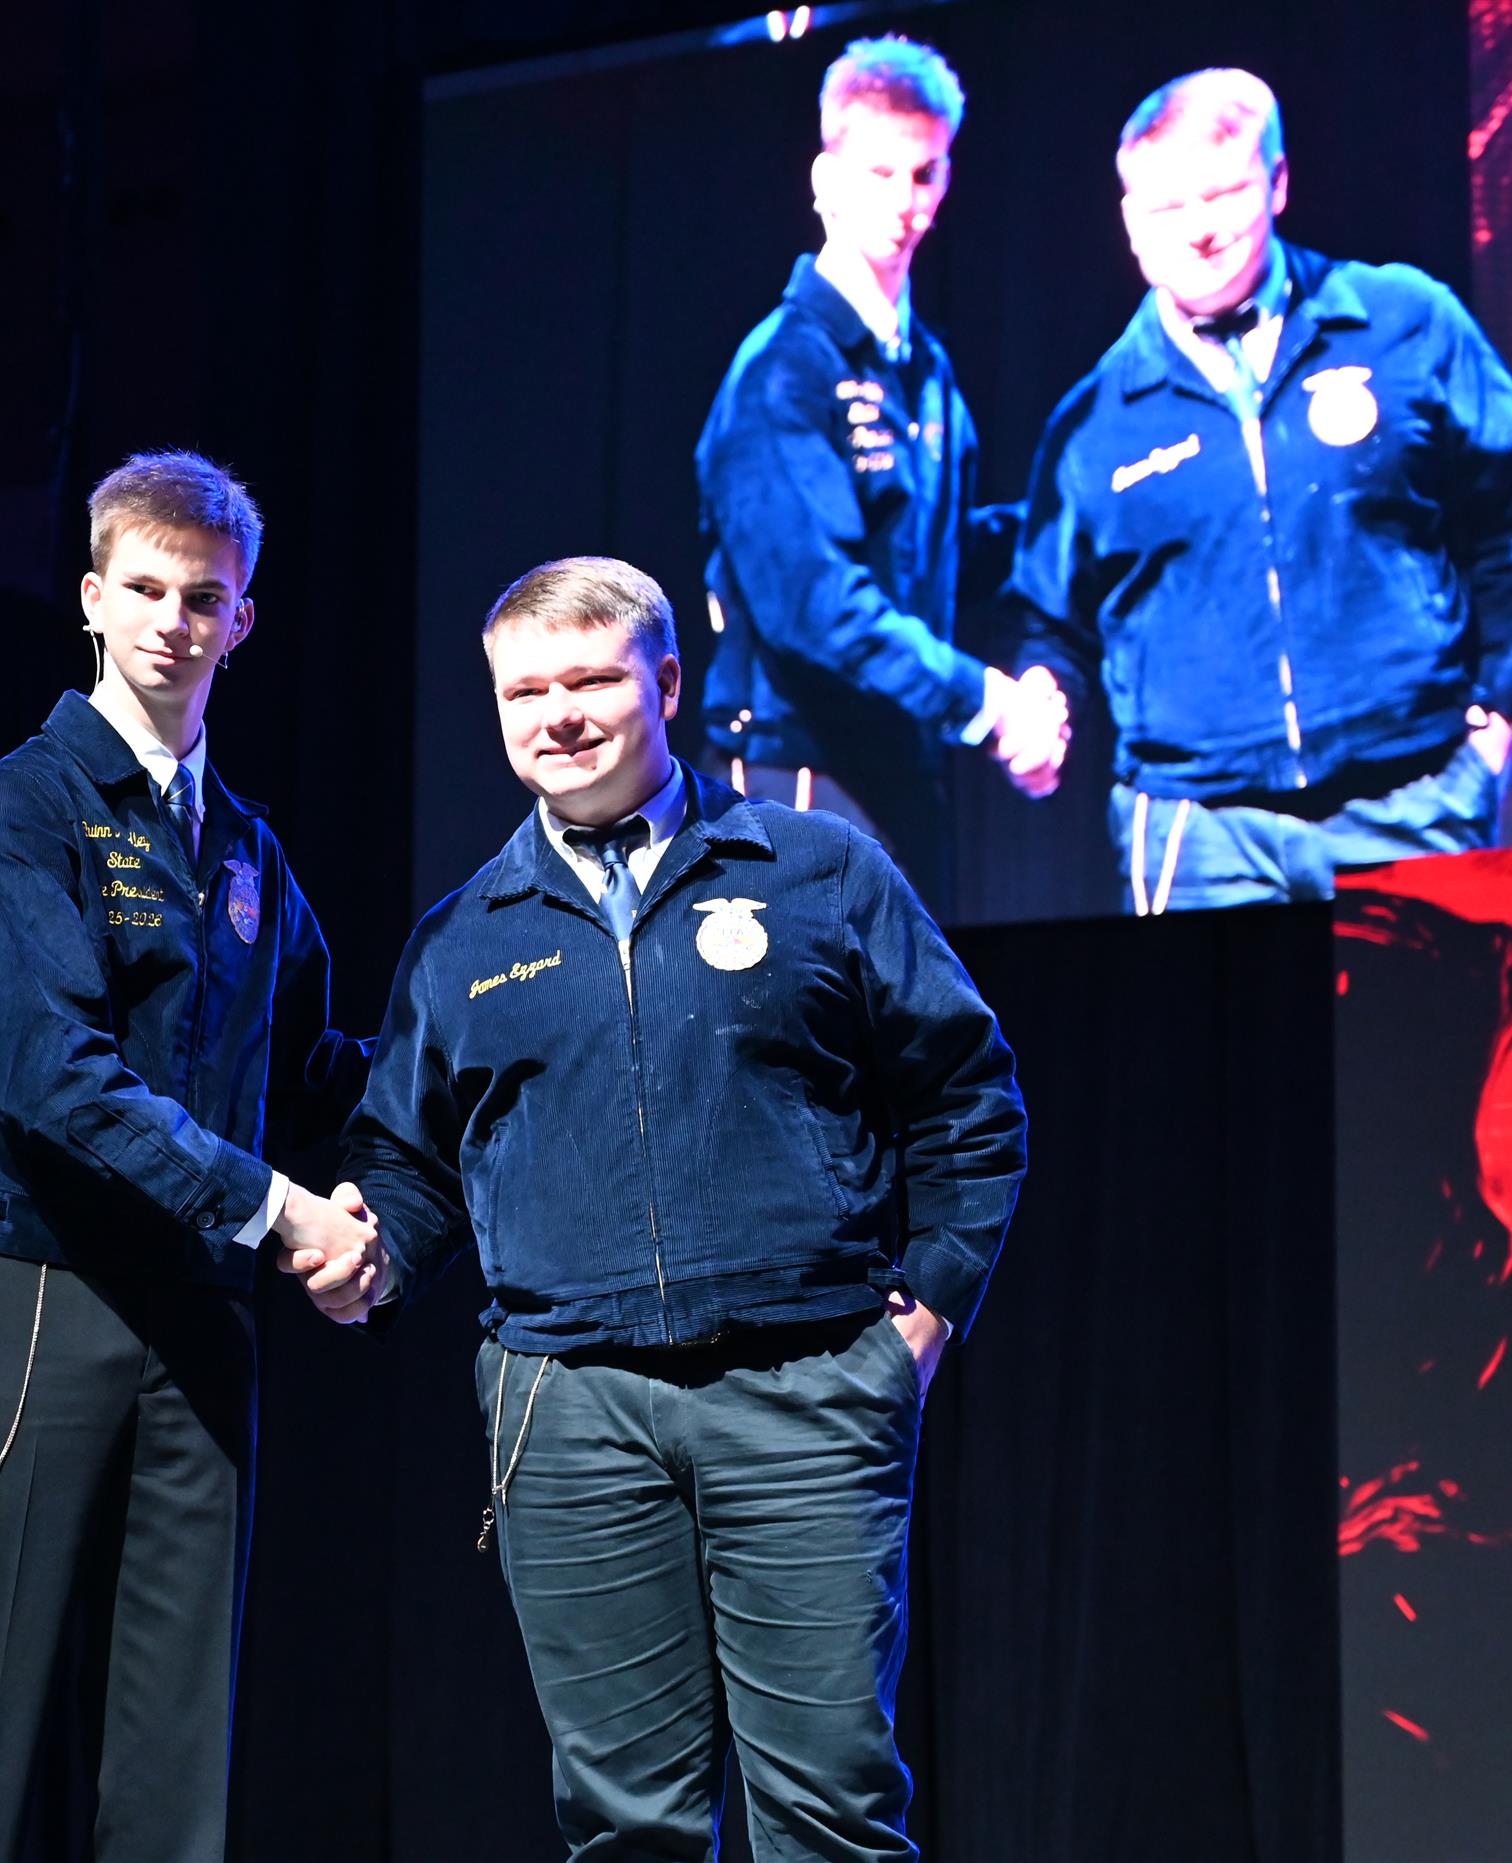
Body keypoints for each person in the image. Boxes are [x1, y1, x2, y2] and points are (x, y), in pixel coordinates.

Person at [314, 557, 1025, 1861]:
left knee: (831, 1812)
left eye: (591, 680)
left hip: (806, 1388)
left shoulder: (819, 870)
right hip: (567, 1412)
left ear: (670, 683)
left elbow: (967, 1095)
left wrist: (925, 1310)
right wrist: (375, 1248)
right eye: (525, 690)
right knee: (625, 1827)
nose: (558, 715)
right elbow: (411, 1158)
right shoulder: (464, 935)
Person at [0, 450, 374, 1862]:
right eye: (147, 589)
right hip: (32, 1295)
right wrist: (276, 1208)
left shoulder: (248, 852)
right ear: (94, 600)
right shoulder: (26, 807)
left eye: (204, 597)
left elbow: (313, 1077)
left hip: (198, 1316)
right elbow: (49, 1077)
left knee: (176, 1775)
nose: (175, 620)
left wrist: (466, 1092)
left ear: (243, 621)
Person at [996, 67, 1512, 912]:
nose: (1198, 230)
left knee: (1432, 1009)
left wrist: (1504, 707)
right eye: (1166, 207)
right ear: (1129, 221)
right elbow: (1050, 620)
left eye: (1222, 195)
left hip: (1412, 799)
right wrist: (1044, 693)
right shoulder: (1094, 419)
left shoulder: (1402, 322)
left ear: (1276, 182)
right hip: (1199, 837)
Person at [695, 33, 1067, 908]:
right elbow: (817, 606)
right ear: (825, 180)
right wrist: (990, 702)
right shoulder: (784, 369)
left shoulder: (924, 368)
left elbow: (944, 559)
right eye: (879, 172)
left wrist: (1078, 531)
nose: (905, 201)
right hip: (794, 779)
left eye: (925, 174)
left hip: (904, 772)